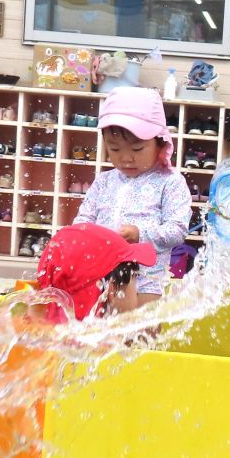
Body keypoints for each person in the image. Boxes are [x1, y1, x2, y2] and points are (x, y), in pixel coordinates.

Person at [73, 86, 191, 306]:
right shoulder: (104, 181)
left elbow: (177, 229)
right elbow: (83, 221)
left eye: (137, 149)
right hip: (100, 277)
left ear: (160, 143)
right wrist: (80, 239)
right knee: (102, 335)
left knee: (141, 336)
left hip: (147, 282)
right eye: (115, 149)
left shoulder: (170, 181)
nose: (126, 158)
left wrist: (140, 234)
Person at [36, 223, 157, 322]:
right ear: (112, 289)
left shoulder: (42, 326)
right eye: (135, 279)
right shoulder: (101, 345)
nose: (136, 294)